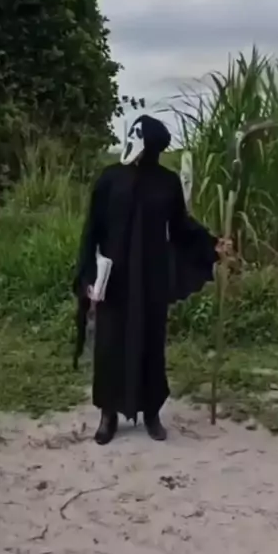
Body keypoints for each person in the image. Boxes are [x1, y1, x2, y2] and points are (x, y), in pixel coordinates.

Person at [73, 114, 229, 445]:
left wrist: (212, 243)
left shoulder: (167, 182)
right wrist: (88, 273)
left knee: (150, 343)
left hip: (151, 277)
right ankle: (108, 415)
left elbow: (181, 226)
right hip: (114, 278)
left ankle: (151, 413)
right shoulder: (110, 178)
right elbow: (92, 229)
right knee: (110, 344)